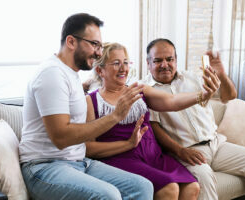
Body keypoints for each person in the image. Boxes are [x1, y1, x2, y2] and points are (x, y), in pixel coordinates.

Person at [19, 13, 154, 200]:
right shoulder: (51, 74)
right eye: (94, 44)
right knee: (109, 195)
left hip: (79, 162)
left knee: (142, 187)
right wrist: (115, 115)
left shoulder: (72, 75)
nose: (99, 52)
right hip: (44, 167)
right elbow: (61, 137)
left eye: (100, 45)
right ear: (71, 42)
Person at [144, 38, 245, 200]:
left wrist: (221, 73)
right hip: (187, 151)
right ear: (148, 63)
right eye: (158, 60)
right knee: (204, 179)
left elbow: (229, 96)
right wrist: (180, 151)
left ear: (176, 60)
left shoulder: (193, 78)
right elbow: (154, 127)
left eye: (169, 59)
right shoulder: (146, 90)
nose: (164, 64)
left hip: (216, 143)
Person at [85, 42, 220, 200]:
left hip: (153, 156)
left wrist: (201, 95)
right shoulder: (91, 101)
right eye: (116, 63)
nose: (123, 68)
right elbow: (89, 148)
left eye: (126, 62)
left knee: (192, 187)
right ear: (100, 70)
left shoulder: (138, 89)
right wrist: (128, 143)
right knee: (169, 189)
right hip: (121, 158)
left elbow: (172, 101)